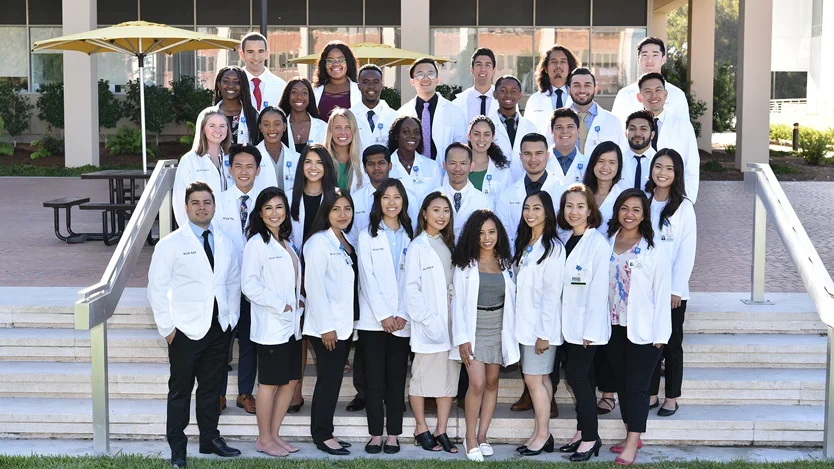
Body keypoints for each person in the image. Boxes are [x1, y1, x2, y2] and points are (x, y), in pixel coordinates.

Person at [148, 181, 241, 468]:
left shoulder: (225, 242)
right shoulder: (171, 244)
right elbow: (156, 288)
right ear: (186, 208)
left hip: (218, 329)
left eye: (207, 202)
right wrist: (168, 330)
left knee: (212, 389)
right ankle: (178, 448)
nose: (202, 207)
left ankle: (210, 438)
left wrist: (231, 319)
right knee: (180, 391)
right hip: (185, 331)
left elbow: (232, 282)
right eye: (196, 203)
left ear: (214, 206)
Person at [605, 188, 672, 465]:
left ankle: (632, 443)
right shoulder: (605, 242)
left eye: (635, 209)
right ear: (617, 211)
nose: (629, 214)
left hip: (643, 329)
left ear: (644, 214)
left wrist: (661, 334)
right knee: (621, 382)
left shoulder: (654, 250)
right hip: (612, 326)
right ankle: (631, 435)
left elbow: (662, 292)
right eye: (624, 208)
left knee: (637, 386)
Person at [450, 209, 519, 462]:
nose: (487, 237)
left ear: (499, 233)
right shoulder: (465, 265)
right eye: (481, 233)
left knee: (492, 383)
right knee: (476, 384)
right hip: (473, 328)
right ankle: (470, 439)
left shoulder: (505, 263)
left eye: (491, 232)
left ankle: (483, 436)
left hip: (499, 327)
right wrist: (462, 338)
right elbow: (456, 304)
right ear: (472, 235)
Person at [241, 187, 303, 457]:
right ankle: (263, 438)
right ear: (260, 213)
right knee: (268, 383)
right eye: (268, 208)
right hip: (271, 326)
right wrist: (282, 304)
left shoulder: (285, 241)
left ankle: (274, 434)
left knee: (290, 381)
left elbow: (289, 280)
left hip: (291, 326)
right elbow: (249, 286)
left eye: (279, 207)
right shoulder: (257, 243)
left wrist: (298, 300)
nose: (275, 213)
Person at [356, 178, 414, 455]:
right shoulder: (367, 235)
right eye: (386, 197)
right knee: (374, 381)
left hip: (402, 322)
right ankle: (375, 434)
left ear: (403, 202)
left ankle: (393, 434)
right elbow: (367, 279)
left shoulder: (411, 235)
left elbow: (411, 280)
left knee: (395, 380)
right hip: (373, 321)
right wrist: (383, 315)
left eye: (397, 197)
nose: (392, 203)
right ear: (378, 202)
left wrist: (401, 313)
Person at [555, 184, 612, 462]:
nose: (574, 211)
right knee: (584, 381)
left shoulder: (598, 244)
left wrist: (589, 331)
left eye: (580, 206)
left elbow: (599, 291)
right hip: (569, 326)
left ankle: (590, 439)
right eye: (569, 206)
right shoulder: (566, 239)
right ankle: (583, 432)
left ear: (590, 210)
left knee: (577, 378)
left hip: (587, 330)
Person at [302, 188, 357, 456]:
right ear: (326, 212)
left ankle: (327, 431)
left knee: (333, 380)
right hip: (327, 328)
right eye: (336, 209)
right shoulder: (317, 243)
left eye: (347, 209)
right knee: (328, 380)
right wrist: (326, 327)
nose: (342, 214)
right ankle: (322, 435)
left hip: (343, 325)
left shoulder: (344, 240)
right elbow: (314, 287)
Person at [405, 191, 460, 455]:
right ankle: (420, 427)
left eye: (446, 211)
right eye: (436, 210)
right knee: (421, 380)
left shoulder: (448, 244)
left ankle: (441, 428)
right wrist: (428, 319)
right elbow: (411, 290)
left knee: (449, 381)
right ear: (425, 213)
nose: (441, 215)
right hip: (429, 326)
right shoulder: (417, 246)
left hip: (450, 325)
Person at [512, 191, 565, 457]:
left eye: (536, 208)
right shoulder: (527, 243)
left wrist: (544, 334)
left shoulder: (553, 247)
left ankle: (543, 435)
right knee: (539, 379)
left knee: (535, 381)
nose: (530, 213)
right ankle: (540, 432)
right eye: (526, 208)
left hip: (540, 331)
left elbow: (551, 294)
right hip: (526, 327)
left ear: (547, 213)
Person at [287, 144, 338, 413]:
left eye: (319, 162)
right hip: (294, 275)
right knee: (299, 335)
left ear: (327, 167)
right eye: (308, 162)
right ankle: (295, 390)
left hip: (325, 275)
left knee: (317, 331)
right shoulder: (289, 197)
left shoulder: (336, 198)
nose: (314, 167)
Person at [646, 149, 697, 417]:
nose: (662, 173)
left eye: (669, 168)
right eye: (658, 166)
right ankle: (651, 394)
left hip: (672, 292)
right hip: (646, 288)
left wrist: (676, 289)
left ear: (676, 174)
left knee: (672, 345)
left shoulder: (684, 207)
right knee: (650, 343)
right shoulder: (643, 200)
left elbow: (687, 252)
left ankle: (671, 397)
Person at [215, 144, 263, 415]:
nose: (244, 172)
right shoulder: (218, 202)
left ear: (257, 170)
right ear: (230, 169)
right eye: (238, 167)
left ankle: (245, 392)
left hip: (254, 284)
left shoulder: (267, 200)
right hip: (226, 284)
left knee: (249, 343)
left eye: (249, 167)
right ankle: (219, 394)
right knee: (222, 344)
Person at [636, 72, 700, 202]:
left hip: (673, 199)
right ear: (639, 97)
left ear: (665, 95)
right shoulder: (631, 126)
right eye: (647, 91)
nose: (653, 95)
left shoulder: (683, 126)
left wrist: (687, 201)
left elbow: (691, 167)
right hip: (637, 199)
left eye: (658, 90)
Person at [496, 133, 562, 251]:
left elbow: (565, 232)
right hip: (516, 261)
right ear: (520, 157)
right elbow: (503, 235)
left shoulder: (562, 191)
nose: (533, 159)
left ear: (548, 155)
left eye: (538, 153)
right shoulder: (507, 195)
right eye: (527, 154)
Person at [398, 57, 467, 165]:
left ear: (437, 80)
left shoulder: (454, 112)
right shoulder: (402, 113)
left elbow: (461, 146)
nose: (426, 79)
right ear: (412, 81)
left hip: (445, 174)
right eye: (420, 74)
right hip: (412, 173)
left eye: (430, 74)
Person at [611, 37, 689, 123]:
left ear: (663, 59)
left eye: (655, 55)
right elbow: (615, 130)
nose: (649, 60)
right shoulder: (624, 95)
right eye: (644, 55)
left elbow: (685, 132)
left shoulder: (677, 95)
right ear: (638, 60)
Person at [173, 111, 231, 227]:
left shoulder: (232, 159)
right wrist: (189, 232)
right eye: (212, 126)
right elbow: (180, 200)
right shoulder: (189, 160)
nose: (218, 130)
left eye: (222, 126)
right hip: (200, 227)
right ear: (203, 129)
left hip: (229, 227)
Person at [351, 145, 419, 239]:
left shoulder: (408, 198)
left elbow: (415, 231)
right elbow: (351, 235)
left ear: (390, 166)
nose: (376, 168)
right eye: (371, 164)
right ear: (365, 168)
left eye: (381, 163)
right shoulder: (354, 200)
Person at [192, 66, 259, 151]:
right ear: (219, 85)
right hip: (213, 163)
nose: (231, 85)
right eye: (226, 81)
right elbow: (198, 147)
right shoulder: (206, 115)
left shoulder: (253, 115)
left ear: (243, 86)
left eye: (237, 82)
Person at [436, 143, 493, 240]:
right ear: (444, 165)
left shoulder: (484, 202)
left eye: (463, 163)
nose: (457, 169)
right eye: (453, 163)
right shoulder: (432, 198)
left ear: (472, 166)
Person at [567, 67, 627, 157]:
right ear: (568, 90)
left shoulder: (613, 122)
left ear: (595, 89)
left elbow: (621, 155)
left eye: (587, 85)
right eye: (576, 85)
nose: (582, 90)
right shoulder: (555, 120)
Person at [489, 75, 538, 181]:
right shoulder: (487, 127)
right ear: (495, 94)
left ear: (520, 95)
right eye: (503, 91)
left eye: (514, 91)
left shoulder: (531, 128)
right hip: (494, 184)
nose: (508, 95)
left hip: (524, 184)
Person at [524, 45, 579, 136]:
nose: (558, 66)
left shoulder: (578, 98)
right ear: (545, 68)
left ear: (570, 67)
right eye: (553, 62)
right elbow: (527, 132)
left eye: (563, 61)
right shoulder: (534, 100)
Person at [387, 115, 442, 202]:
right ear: (396, 135)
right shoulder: (386, 166)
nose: (412, 136)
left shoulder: (432, 166)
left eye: (417, 132)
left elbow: (438, 200)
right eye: (406, 132)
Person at [351, 64, 398, 152]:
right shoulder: (348, 116)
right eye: (365, 82)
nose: (371, 86)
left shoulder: (395, 117)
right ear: (358, 86)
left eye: (376, 82)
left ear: (382, 86)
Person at [583, 141, 626, 235]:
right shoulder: (581, 194)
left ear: (619, 166)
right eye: (601, 161)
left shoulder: (623, 198)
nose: (605, 167)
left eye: (612, 163)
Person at [466, 116, 512, 203]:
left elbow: (507, 203)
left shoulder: (503, 171)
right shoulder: (457, 166)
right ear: (469, 136)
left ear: (493, 137)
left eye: (486, 134)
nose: (481, 139)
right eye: (476, 134)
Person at [256, 106, 299, 194]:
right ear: (260, 127)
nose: (272, 129)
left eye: (277, 124)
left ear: (284, 127)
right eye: (266, 124)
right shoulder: (251, 157)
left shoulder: (297, 158)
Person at [313, 41, 361, 121]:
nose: (335, 64)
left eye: (341, 60)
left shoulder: (360, 91)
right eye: (330, 60)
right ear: (324, 64)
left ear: (348, 62)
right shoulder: (314, 91)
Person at [239, 32, 287, 112]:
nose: (256, 57)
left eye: (260, 51)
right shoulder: (233, 84)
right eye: (250, 52)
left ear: (267, 54)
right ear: (242, 55)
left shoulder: (282, 86)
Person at [278, 77, 327, 153]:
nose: (299, 97)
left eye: (304, 93)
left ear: (310, 97)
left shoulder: (323, 127)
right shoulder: (278, 127)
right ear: (287, 96)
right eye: (294, 92)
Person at [545, 108, 589, 194]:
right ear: (551, 131)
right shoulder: (541, 162)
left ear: (578, 131)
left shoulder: (587, 164)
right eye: (559, 127)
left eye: (570, 127)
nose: (565, 131)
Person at [452, 48, 499, 122]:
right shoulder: (459, 102)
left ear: (494, 70)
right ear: (471, 69)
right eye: (478, 64)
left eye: (487, 65)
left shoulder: (504, 99)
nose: (483, 69)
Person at [324, 107, 365, 193]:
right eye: (337, 127)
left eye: (348, 127)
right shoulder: (321, 160)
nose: (343, 132)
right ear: (330, 131)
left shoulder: (362, 162)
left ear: (354, 130)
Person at [620, 110, 657, 194]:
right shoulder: (617, 161)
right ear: (626, 133)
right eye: (632, 129)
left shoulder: (661, 162)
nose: (637, 133)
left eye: (643, 129)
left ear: (652, 135)